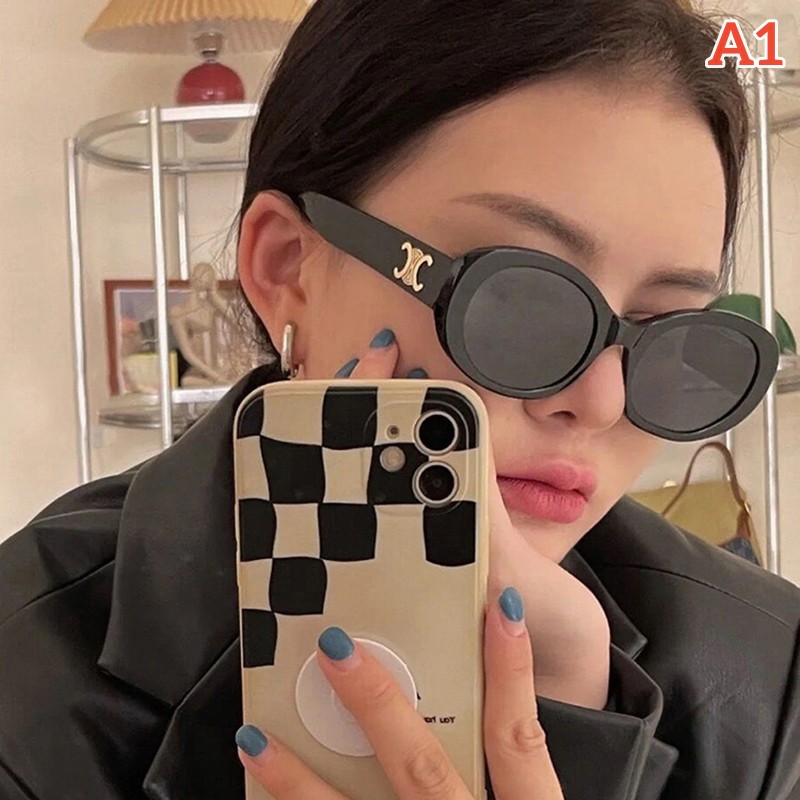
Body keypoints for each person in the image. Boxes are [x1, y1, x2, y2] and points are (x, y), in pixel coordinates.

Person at [1, 1, 798, 798]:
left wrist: (571, 713)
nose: (599, 400)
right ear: (288, 268)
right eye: (520, 302)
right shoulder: (25, 670)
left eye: (667, 331)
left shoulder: (767, 678)